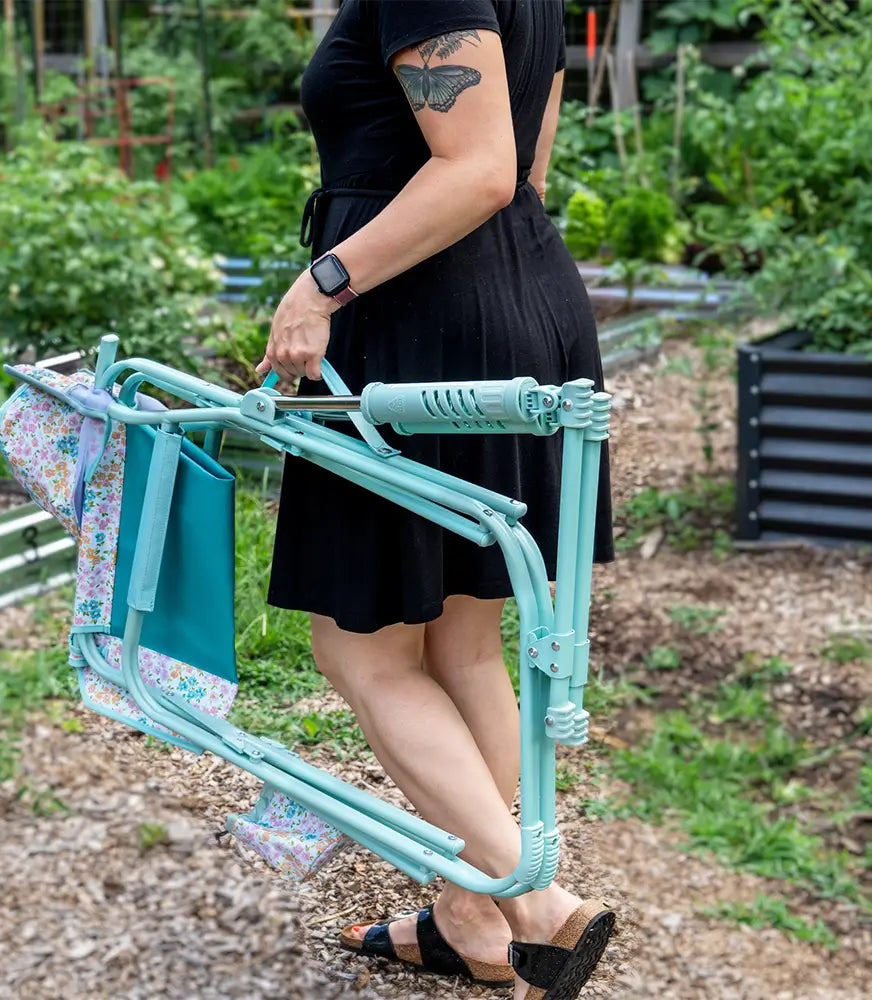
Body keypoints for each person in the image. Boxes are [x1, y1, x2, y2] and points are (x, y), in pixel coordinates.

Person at [256, 3, 616, 998]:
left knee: (361, 649)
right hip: (510, 297)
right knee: (460, 642)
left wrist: (321, 284)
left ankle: (533, 900)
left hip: (421, 320)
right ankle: (468, 913)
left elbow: (478, 167)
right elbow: (525, 172)